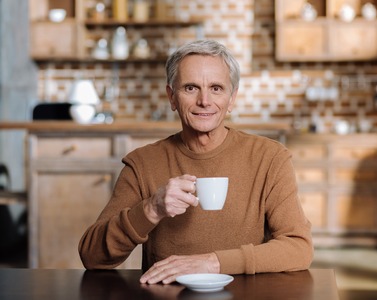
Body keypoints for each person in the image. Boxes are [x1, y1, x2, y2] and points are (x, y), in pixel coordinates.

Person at [78, 39, 313, 284]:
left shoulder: (270, 158)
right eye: (191, 88)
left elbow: (298, 248)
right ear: (172, 97)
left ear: (231, 98)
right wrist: (151, 209)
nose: (204, 101)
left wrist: (213, 262)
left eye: (216, 88)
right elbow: (92, 256)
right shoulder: (142, 164)